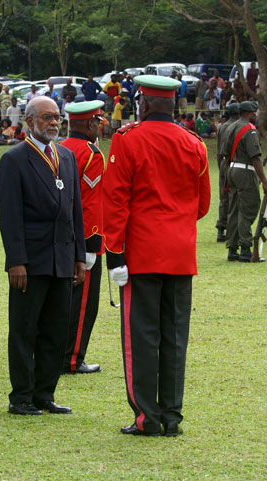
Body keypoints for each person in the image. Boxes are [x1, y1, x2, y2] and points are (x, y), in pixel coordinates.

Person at [103, 75, 211, 437]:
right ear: (174, 104)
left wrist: (114, 254)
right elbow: (202, 205)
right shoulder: (194, 143)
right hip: (181, 253)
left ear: (144, 104)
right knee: (175, 336)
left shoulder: (127, 139)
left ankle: (147, 418)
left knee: (142, 337)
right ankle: (172, 416)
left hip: (142, 254)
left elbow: (116, 200)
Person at [0, 96, 86, 416]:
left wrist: (79, 257)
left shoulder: (67, 157)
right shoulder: (14, 159)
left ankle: (45, 394)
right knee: (24, 330)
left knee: (56, 330)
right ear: (29, 121)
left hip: (62, 258)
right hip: (30, 261)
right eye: (47, 117)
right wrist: (15, 260)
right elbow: (9, 216)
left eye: (57, 117)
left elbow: (75, 210)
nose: (54, 123)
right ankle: (21, 396)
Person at [60, 100, 106, 375]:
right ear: (90, 124)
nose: (99, 127)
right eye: (98, 123)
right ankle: (72, 358)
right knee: (83, 304)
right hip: (84, 241)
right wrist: (90, 245)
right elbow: (89, 204)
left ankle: (57, 354)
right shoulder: (91, 154)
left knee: (62, 301)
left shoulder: (59, 148)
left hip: (59, 238)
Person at [224, 101, 265, 262]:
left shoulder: (231, 127)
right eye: (255, 113)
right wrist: (264, 180)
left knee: (234, 209)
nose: (257, 115)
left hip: (232, 169)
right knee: (248, 208)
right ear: (249, 113)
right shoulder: (249, 130)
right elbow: (256, 158)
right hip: (246, 171)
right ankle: (246, 248)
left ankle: (232, 248)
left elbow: (225, 153)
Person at [215, 103, 240, 242]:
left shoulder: (222, 128)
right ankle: (232, 229)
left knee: (223, 198)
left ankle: (221, 229)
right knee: (235, 198)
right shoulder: (239, 127)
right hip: (236, 163)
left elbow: (218, 152)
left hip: (224, 163)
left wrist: (221, 167)